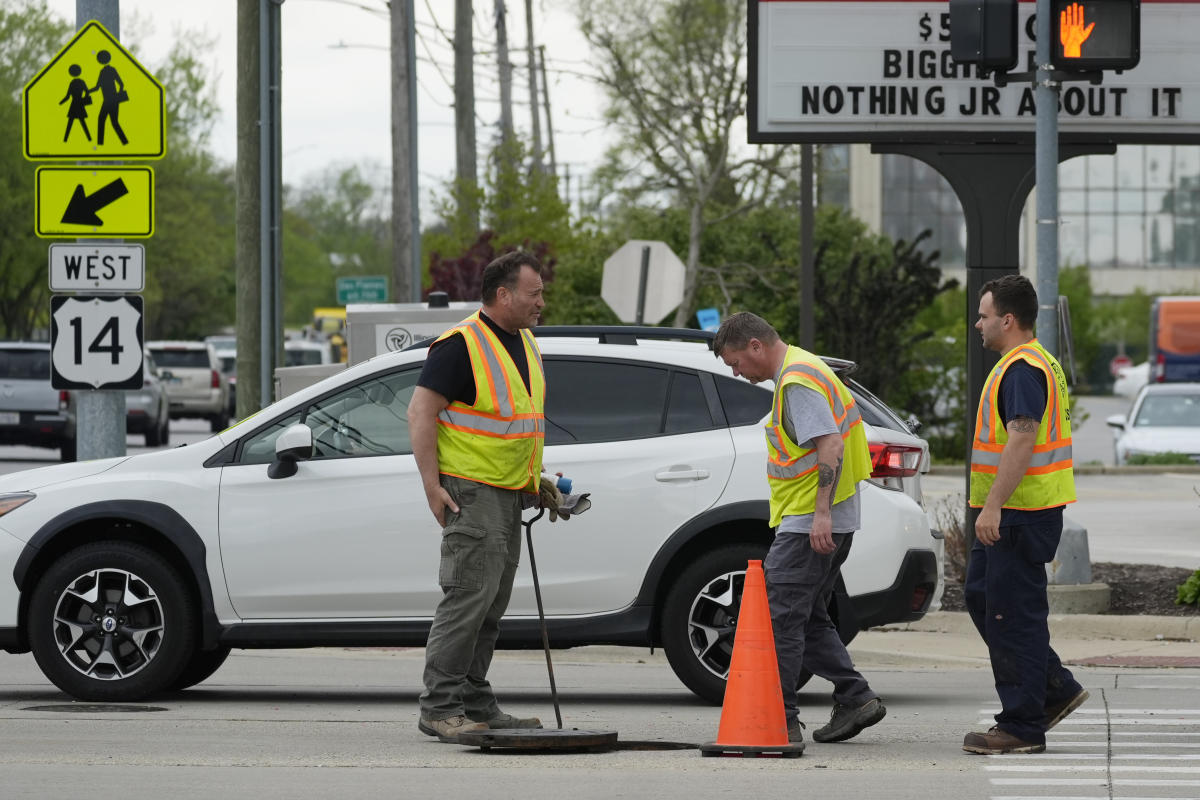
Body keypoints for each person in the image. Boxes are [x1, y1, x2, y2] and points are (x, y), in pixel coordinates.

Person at [713, 312, 886, 749]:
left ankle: (780, 719)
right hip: (820, 519)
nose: (737, 373)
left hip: (812, 522)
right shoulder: (805, 366)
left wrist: (820, 515)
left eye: (735, 362)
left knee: (777, 620)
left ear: (755, 346)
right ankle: (855, 697)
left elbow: (829, 443)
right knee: (808, 617)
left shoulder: (796, 382)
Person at [408, 251, 548, 743]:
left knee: (490, 604)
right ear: (503, 294)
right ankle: (440, 706)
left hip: (508, 494)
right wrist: (432, 487)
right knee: (468, 599)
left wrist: (538, 480)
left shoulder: (522, 342)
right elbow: (420, 414)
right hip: (472, 493)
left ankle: (473, 700)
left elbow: (514, 423)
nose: (541, 302)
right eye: (534, 293)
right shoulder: (460, 345)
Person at [963, 274, 1089, 755]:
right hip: (1018, 512)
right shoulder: (1029, 363)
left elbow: (1022, 436)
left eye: (984, 315)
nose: (979, 323)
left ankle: (1022, 725)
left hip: (1020, 512)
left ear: (1007, 320)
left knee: (1011, 615)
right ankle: (1053, 688)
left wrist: (992, 504)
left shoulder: (1020, 370)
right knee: (983, 598)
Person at [89, 49, 128, 146]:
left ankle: (102, 143)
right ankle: (122, 142)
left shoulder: (105, 71)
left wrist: (88, 91)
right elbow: (121, 84)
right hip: (110, 101)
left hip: (109, 101)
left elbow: (97, 87)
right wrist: (117, 96)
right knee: (110, 121)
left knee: (106, 120)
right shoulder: (108, 71)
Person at [59, 64, 91, 143]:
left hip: (74, 104)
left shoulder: (72, 83)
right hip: (79, 104)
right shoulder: (81, 82)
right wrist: (83, 100)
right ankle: (89, 138)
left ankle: (65, 139)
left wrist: (60, 103)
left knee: (71, 122)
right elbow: (87, 92)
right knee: (81, 122)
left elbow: (67, 96)